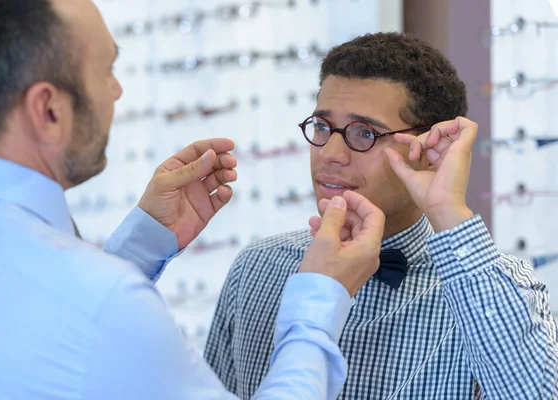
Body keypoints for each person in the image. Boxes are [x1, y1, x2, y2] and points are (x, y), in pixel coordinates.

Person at [0, 0, 389, 399]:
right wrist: (320, 298)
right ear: (48, 110)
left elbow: (48, 327)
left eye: (364, 133)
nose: (117, 91)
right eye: (106, 71)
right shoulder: (103, 302)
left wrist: (141, 245)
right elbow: (81, 317)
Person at [204, 33, 558, 399]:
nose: (330, 153)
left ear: (425, 148)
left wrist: (447, 209)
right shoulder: (256, 269)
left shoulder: (491, 286)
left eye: (364, 133)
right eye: (322, 127)